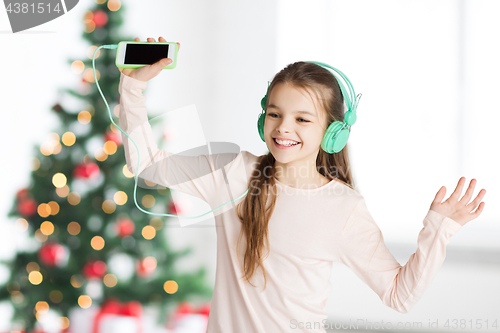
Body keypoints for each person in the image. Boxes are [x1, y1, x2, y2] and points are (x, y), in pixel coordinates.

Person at [118, 36, 487, 333]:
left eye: (302, 119)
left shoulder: (344, 208)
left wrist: (439, 229)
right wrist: (132, 90)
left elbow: (399, 296)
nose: (283, 128)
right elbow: (147, 163)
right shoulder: (232, 172)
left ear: (334, 133)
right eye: (275, 114)